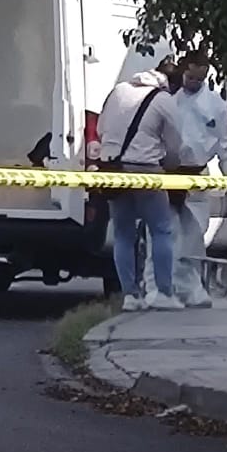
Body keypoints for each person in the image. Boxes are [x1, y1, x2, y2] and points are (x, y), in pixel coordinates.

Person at [96, 66, 188, 311]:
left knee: (123, 234)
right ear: (169, 82)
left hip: (113, 170)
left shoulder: (118, 91)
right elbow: (175, 145)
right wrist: (172, 168)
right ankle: (163, 293)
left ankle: (130, 295)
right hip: (146, 170)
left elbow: (100, 129)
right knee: (161, 230)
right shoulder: (163, 99)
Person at [171, 49, 227, 306]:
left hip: (198, 173)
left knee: (194, 236)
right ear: (184, 71)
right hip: (170, 173)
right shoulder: (171, 102)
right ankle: (167, 288)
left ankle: (192, 288)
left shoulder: (216, 107)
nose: (193, 83)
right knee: (168, 234)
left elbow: (225, 146)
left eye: (199, 79)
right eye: (190, 77)